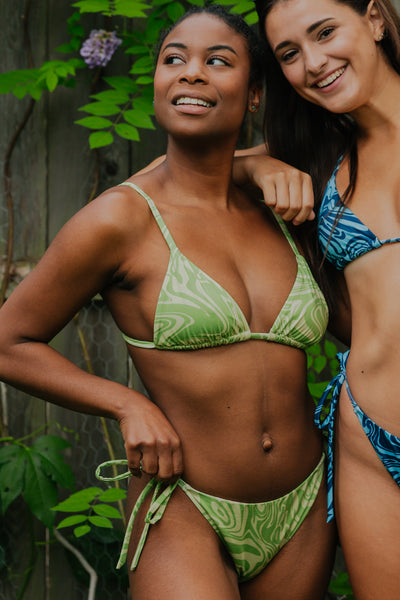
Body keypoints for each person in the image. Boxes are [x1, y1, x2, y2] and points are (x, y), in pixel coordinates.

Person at [0, 6, 336, 599]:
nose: (191, 73)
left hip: (303, 504)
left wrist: (256, 165)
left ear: (255, 94)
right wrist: (128, 405)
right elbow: (9, 342)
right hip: (185, 507)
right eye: (174, 59)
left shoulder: (285, 206)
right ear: (156, 84)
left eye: (218, 62)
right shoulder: (120, 219)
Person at [236, 1, 400, 598]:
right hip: (372, 446)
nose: (313, 63)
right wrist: (256, 171)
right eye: (289, 54)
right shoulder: (318, 161)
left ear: (376, 19)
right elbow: (173, 176)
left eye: (325, 32)